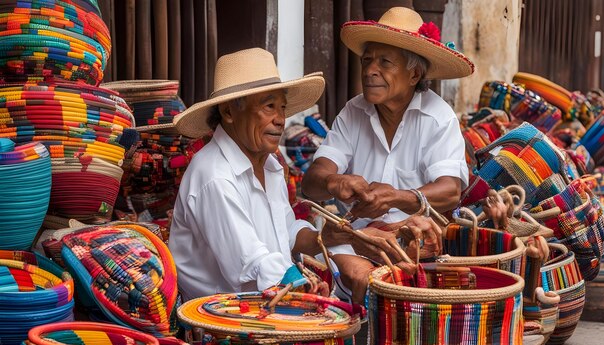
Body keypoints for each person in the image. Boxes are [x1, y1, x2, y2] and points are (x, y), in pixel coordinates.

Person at [301, 7, 476, 303]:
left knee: (400, 279)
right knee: (353, 272)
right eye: (367, 60)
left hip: (415, 245)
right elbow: (312, 181)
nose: (370, 70)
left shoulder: (438, 117)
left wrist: (394, 197)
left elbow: (450, 191)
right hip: (356, 241)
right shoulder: (353, 112)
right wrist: (334, 182)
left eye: (385, 62)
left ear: (414, 74)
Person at [170, 48, 328, 301]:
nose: (280, 120)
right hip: (220, 323)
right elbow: (250, 260)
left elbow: (283, 231)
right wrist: (300, 283)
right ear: (229, 112)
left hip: (261, 309)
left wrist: (325, 238)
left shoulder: (270, 166)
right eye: (269, 107)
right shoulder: (214, 175)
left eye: (282, 108)